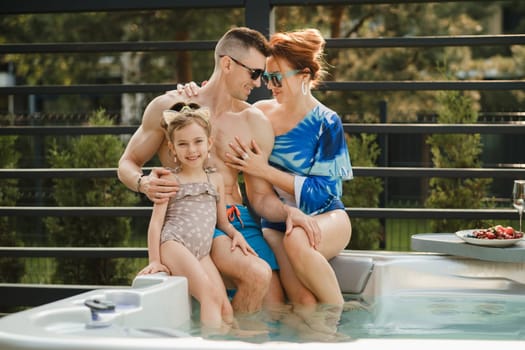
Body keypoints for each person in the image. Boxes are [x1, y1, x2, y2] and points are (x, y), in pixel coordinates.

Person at [118, 27, 319, 314]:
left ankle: (228, 334)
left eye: (262, 75)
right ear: (227, 64)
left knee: (275, 304)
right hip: (189, 218)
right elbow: (127, 163)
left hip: (236, 220)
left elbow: (259, 198)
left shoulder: (254, 122)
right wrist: (142, 183)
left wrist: (290, 213)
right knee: (254, 278)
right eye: (254, 73)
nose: (260, 83)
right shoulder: (172, 109)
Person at [182, 29, 352, 308]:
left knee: (297, 239)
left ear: (305, 76)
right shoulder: (260, 113)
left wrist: (264, 171)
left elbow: (325, 193)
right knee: (303, 301)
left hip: (326, 215)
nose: (267, 84)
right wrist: (194, 91)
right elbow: (222, 103)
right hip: (278, 223)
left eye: (276, 77)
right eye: (265, 76)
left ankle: (340, 315)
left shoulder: (326, 122)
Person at [137, 103, 255, 332]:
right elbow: (156, 223)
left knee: (226, 309)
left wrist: (235, 234)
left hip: (202, 251)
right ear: (172, 148)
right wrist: (154, 260)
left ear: (209, 143)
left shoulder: (216, 180)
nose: (191, 150)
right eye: (183, 144)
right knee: (209, 296)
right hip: (175, 244)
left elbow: (222, 222)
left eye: (198, 141)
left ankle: (232, 341)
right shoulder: (170, 179)